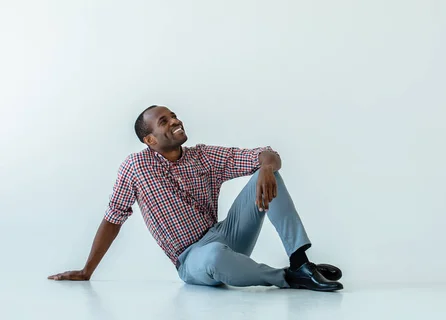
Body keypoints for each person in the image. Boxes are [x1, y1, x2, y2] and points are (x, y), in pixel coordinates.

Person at [48, 105, 343, 292]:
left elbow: (265, 154)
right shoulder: (135, 167)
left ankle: (301, 262)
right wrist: (87, 271)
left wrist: (265, 166)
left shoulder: (202, 155)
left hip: (226, 235)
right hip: (192, 260)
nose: (175, 120)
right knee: (214, 256)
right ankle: (287, 277)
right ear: (149, 140)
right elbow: (113, 218)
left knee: (267, 177)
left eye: (174, 115)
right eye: (164, 121)